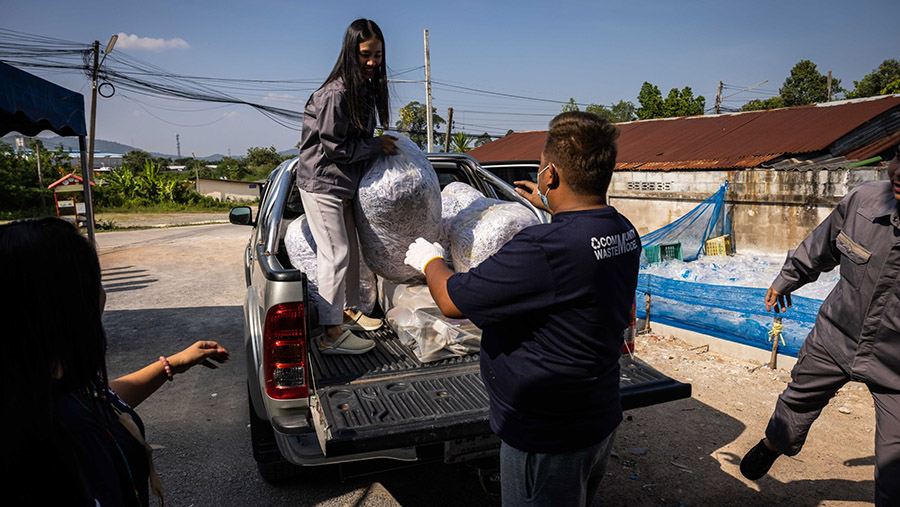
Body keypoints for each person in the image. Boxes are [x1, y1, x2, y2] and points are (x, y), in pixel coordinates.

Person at [404, 111, 641, 506]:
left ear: (549, 175)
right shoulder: (622, 230)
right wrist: (552, 209)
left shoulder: (543, 249)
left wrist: (431, 260)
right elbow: (579, 246)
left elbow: (450, 300)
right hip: (597, 416)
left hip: (546, 437)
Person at [0, 218, 230, 506]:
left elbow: (100, 401)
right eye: (94, 283)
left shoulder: (33, 387)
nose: (103, 295)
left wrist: (170, 365)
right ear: (60, 306)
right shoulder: (65, 438)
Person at [740, 145, 900, 506]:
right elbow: (821, 245)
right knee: (797, 401)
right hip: (836, 335)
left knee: (896, 468)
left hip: (896, 365)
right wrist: (787, 278)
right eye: (899, 159)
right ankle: (773, 444)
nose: (899, 173)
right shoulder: (863, 200)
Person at [296, 18, 397, 355]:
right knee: (335, 254)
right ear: (350, 53)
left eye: (378, 55)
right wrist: (376, 146)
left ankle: (344, 317)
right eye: (365, 55)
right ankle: (330, 335)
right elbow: (334, 148)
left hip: (344, 185)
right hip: (322, 183)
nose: (372, 62)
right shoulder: (335, 93)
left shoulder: (364, 90)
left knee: (351, 255)